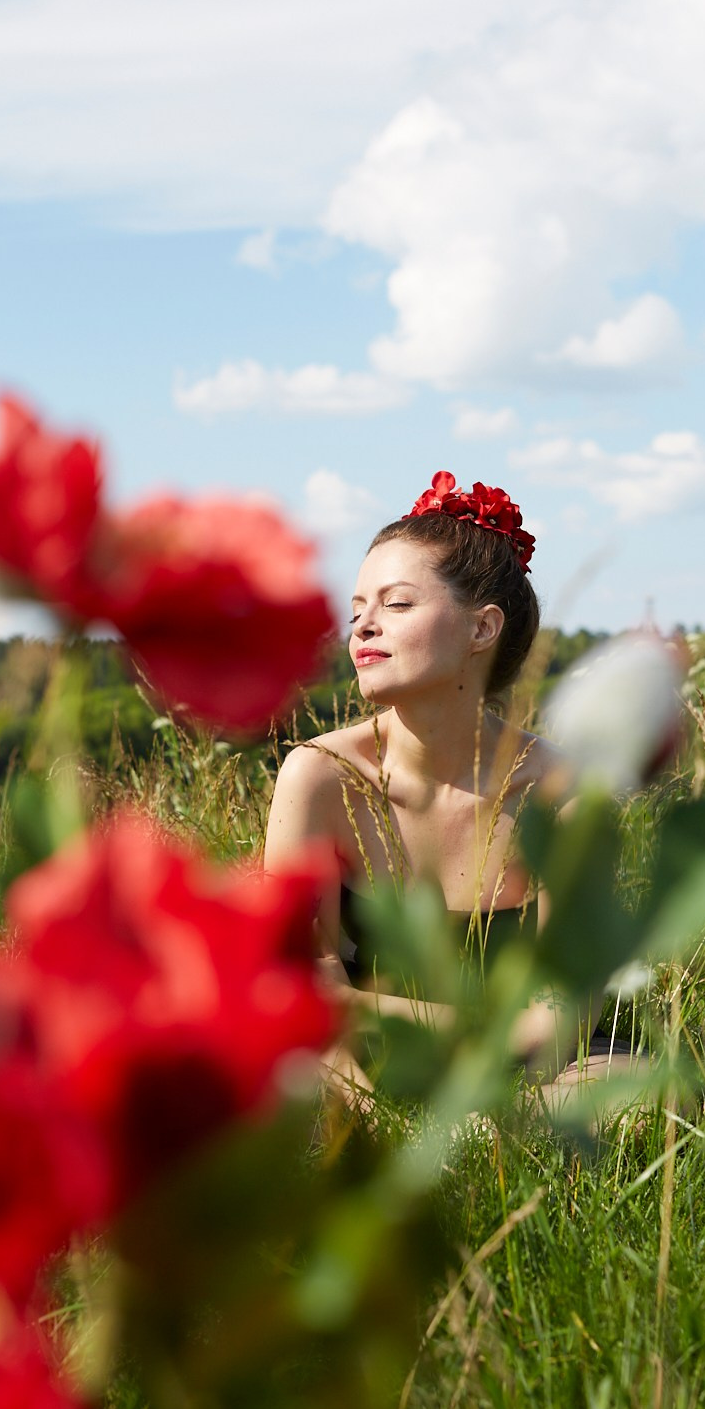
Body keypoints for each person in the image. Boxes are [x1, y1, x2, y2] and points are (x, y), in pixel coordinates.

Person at [263, 472, 622, 1111]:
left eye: (396, 605)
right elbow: (296, 989)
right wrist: (367, 1111)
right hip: (363, 1056)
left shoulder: (563, 795)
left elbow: (560, 1013)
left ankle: (495, 1137)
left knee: (621, 1095)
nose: (363, 627)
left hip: (543, 1066)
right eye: (355, 611)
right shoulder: (318, 776)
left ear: (482, 629)